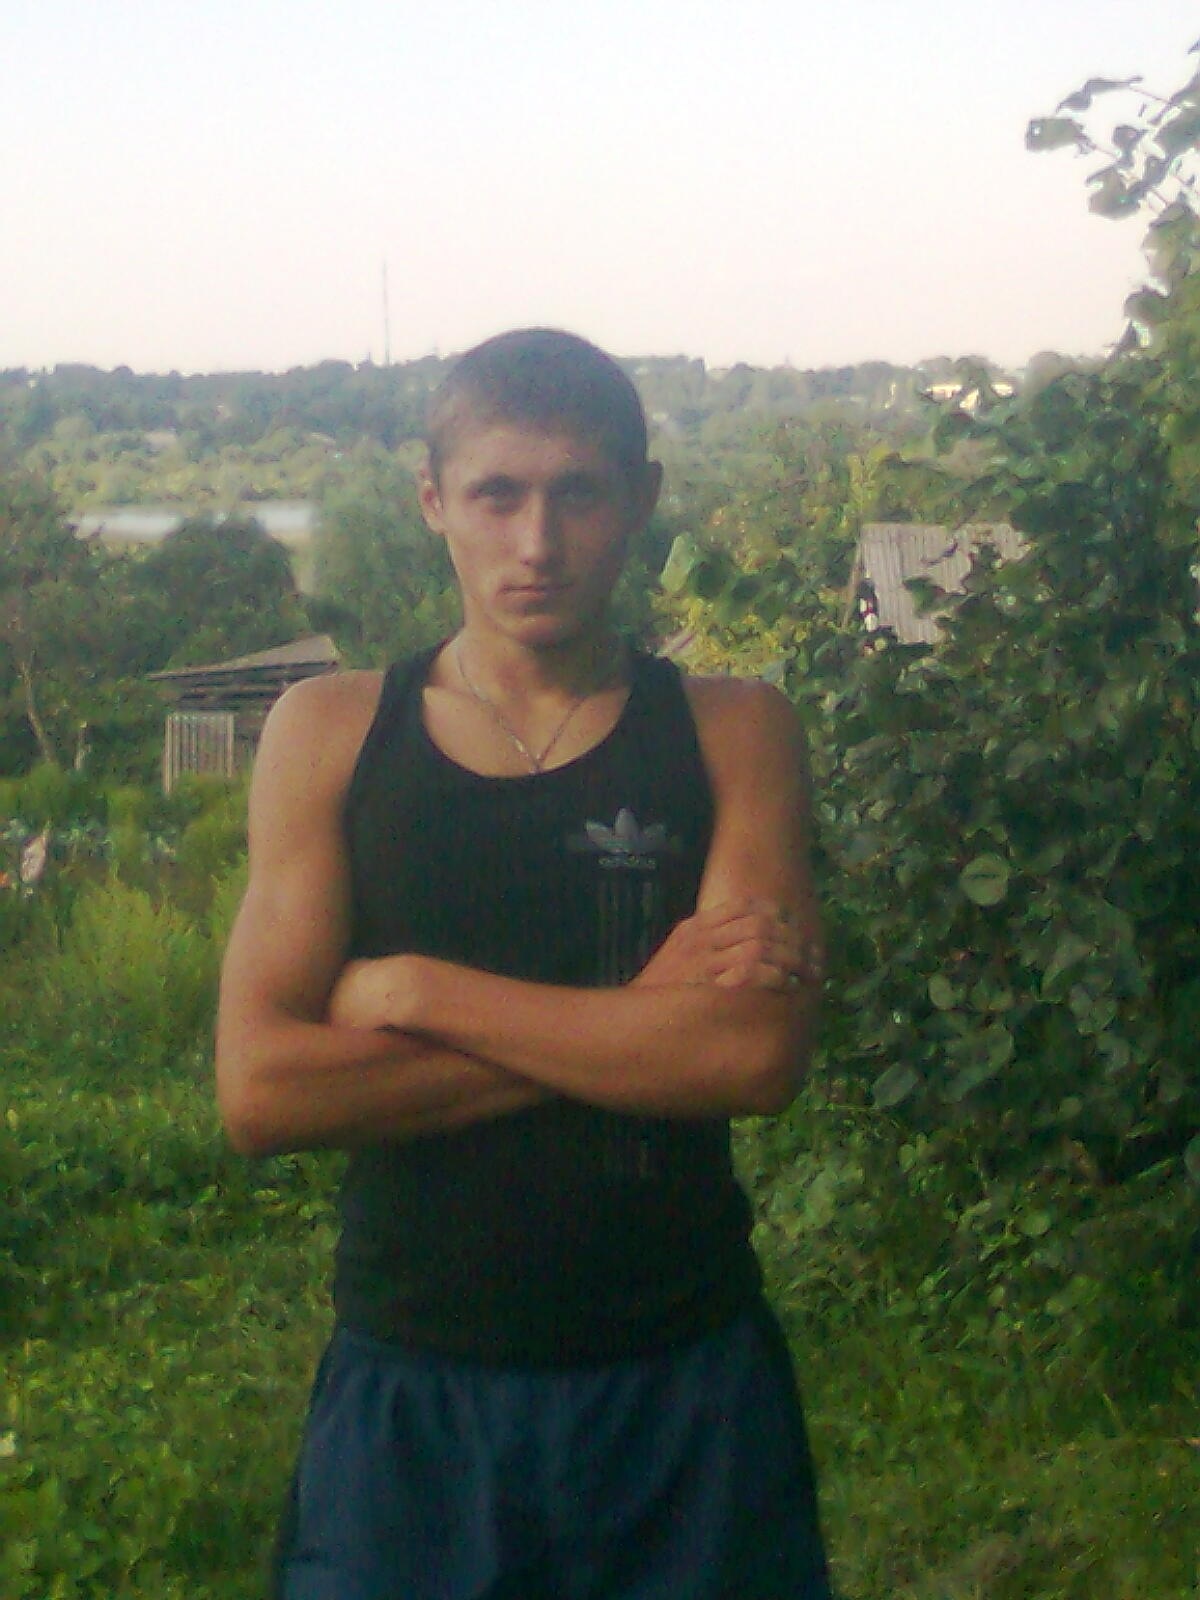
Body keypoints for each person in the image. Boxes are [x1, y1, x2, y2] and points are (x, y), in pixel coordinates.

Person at [216, 328, 833, 1600]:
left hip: (683, 1391)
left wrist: (418, 992)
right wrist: (641, 1019)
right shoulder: (332, 734)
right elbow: (265, 1091)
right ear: (433, 501)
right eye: (497, 494)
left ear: (643, 500)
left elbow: (749, 1056)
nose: (537, 542)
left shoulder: (732, 729)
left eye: (579, 493)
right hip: (412, 1399)